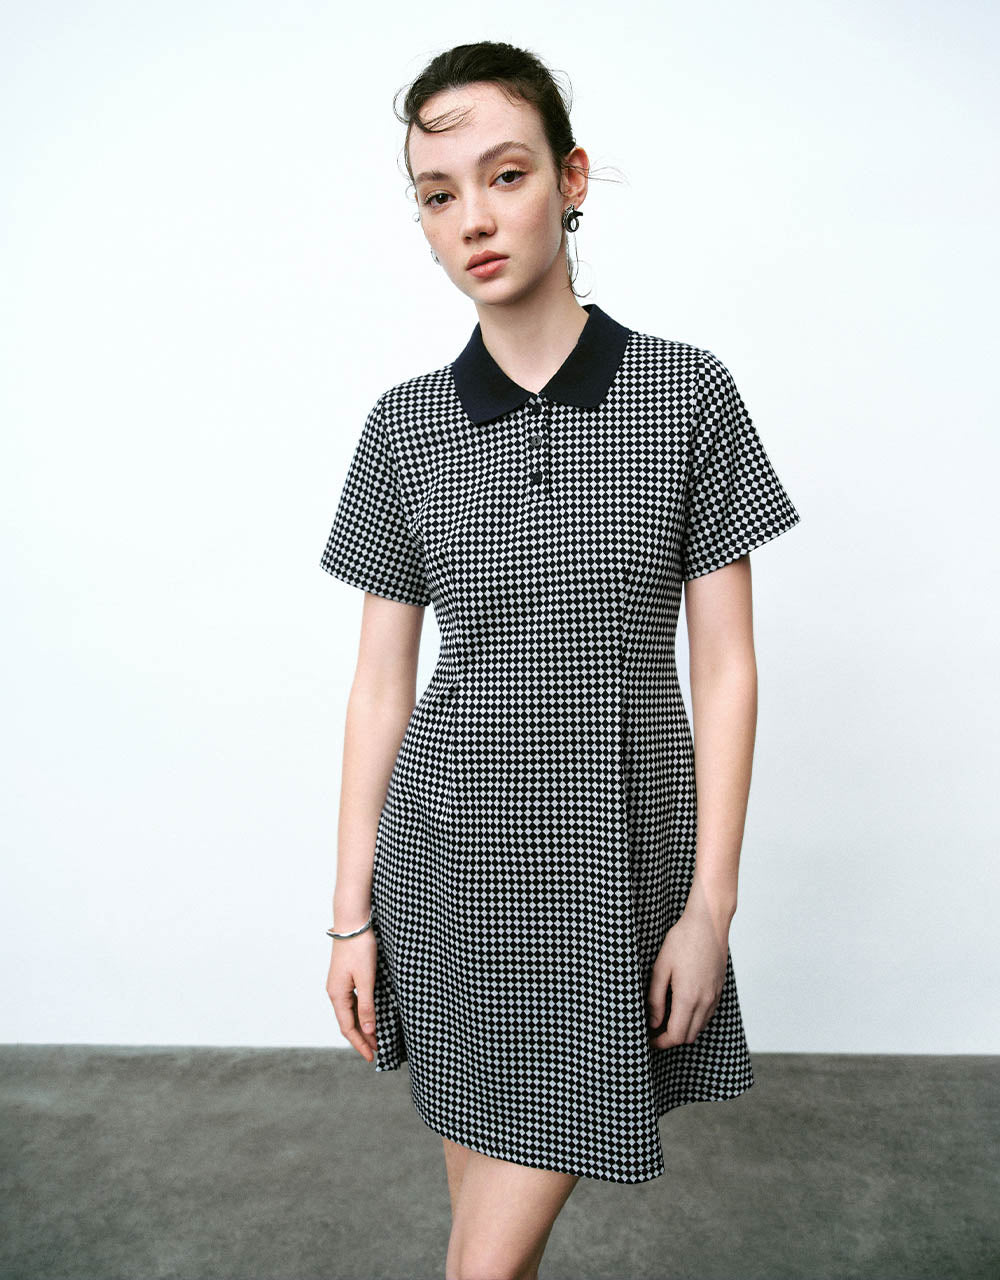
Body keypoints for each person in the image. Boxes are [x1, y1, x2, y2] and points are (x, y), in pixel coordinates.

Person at [320, 40, 801, 1280]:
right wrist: (349, 916)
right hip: (446, 881)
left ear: (570, 179)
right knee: (491, 1251)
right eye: (438, 194)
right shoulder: (402, 426)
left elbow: (727, 670)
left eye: (505, 174)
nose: (473, 219)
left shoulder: (687, 394)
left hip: (610, 882)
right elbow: (380, 688)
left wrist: (710, 905)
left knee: (476, 1266)